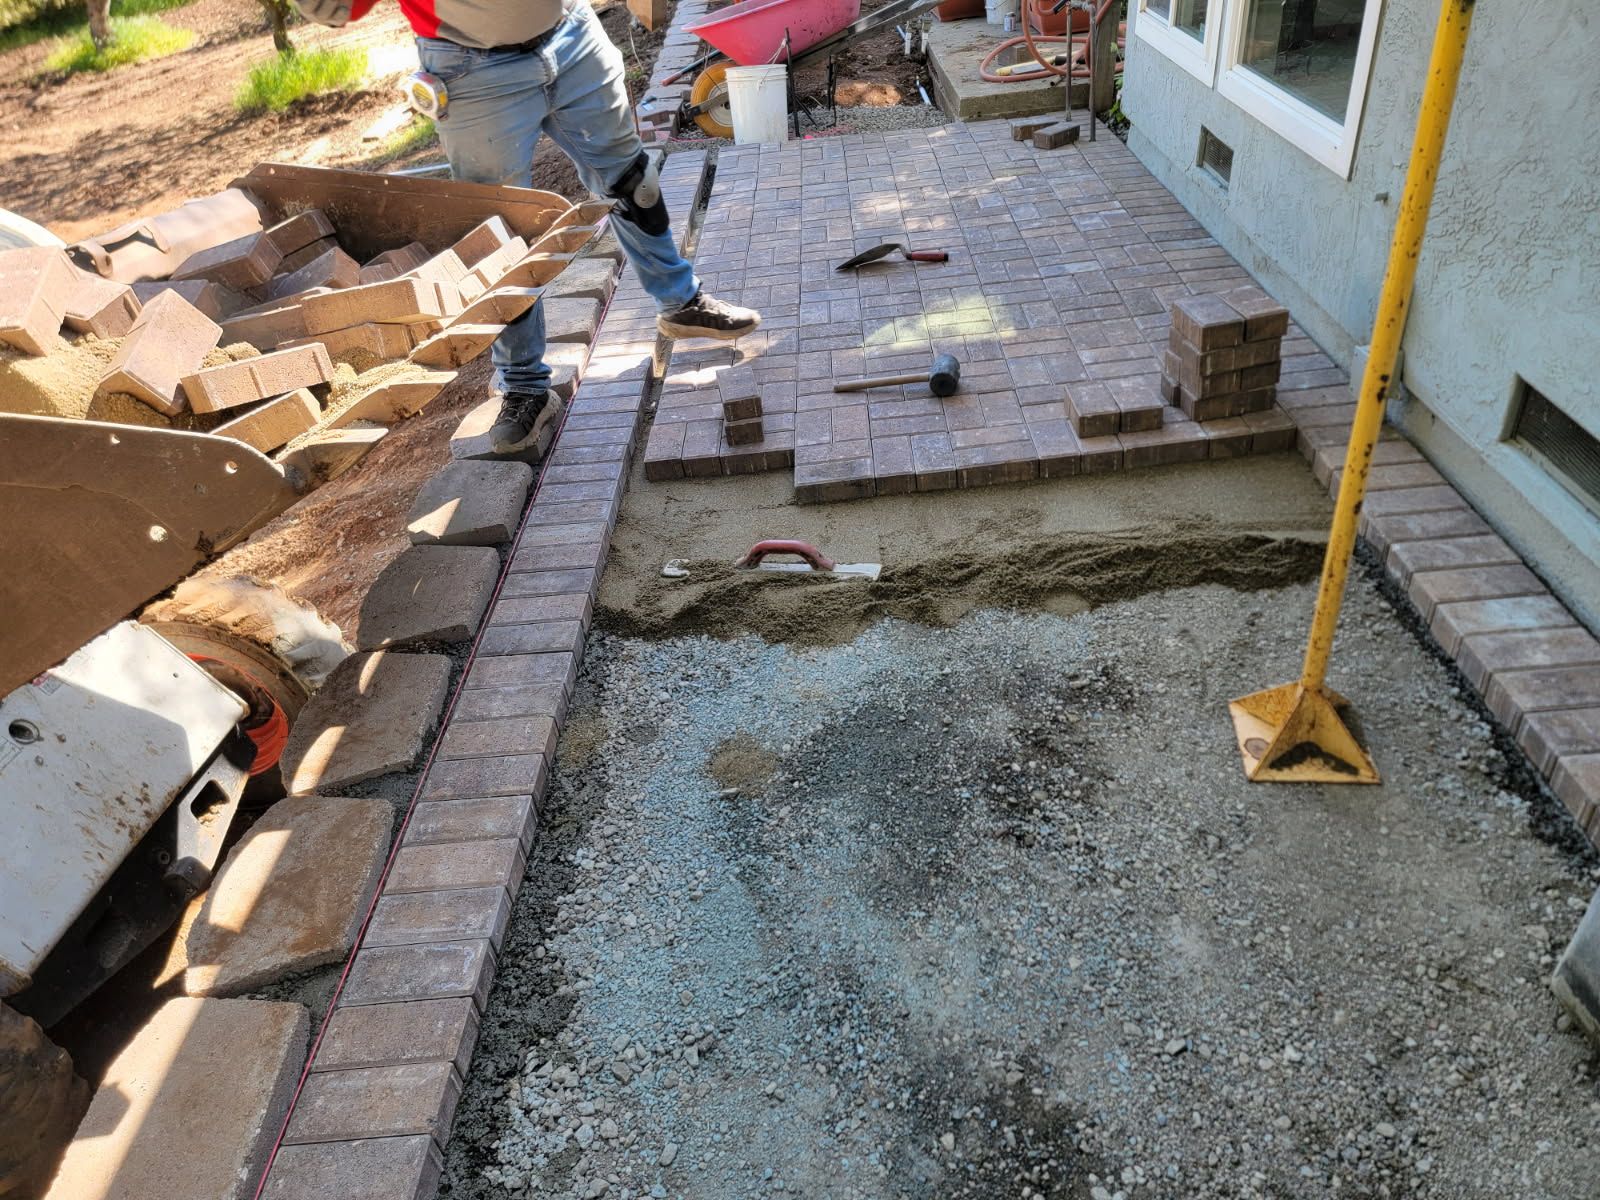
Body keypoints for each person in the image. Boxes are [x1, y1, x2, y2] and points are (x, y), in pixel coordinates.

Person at [292, 0, 761, 454]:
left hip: (573, 33)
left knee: (634, 183)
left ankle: (680, 303)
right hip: (471, 68)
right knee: (498, 232)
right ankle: (525, 389)